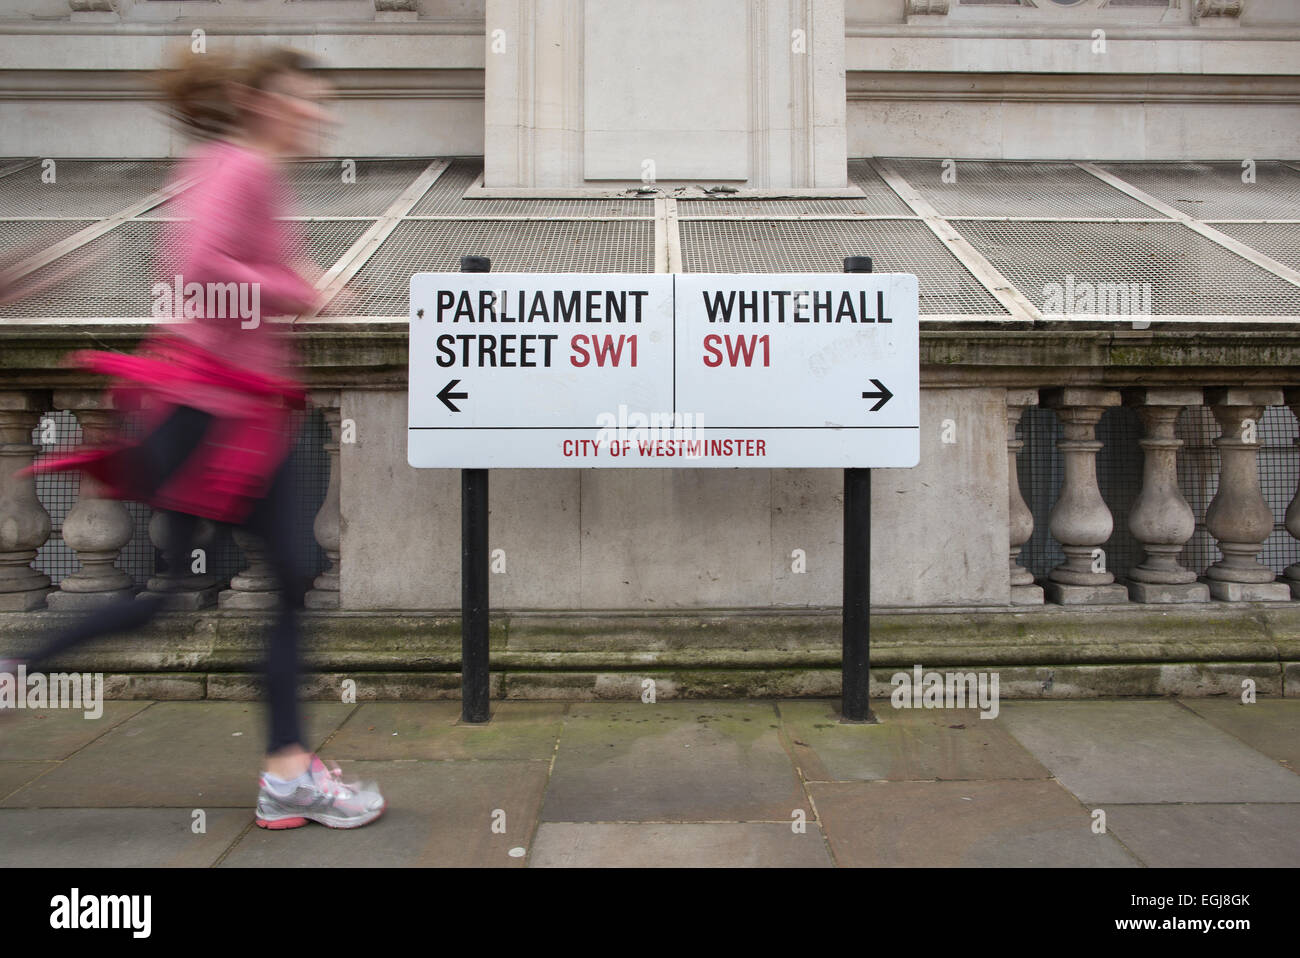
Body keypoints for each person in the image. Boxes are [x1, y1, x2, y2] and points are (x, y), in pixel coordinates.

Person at [8, 47, 384, 830]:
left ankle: (17, 672)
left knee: (196, 590)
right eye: (309, 101)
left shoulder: (232, 167)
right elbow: (202, 264)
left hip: (222, 414)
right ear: (264, 104)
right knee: (277, 585)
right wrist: (305, 288)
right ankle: (287, 775)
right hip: (217, 419)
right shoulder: (240, 167)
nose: (323, 115)